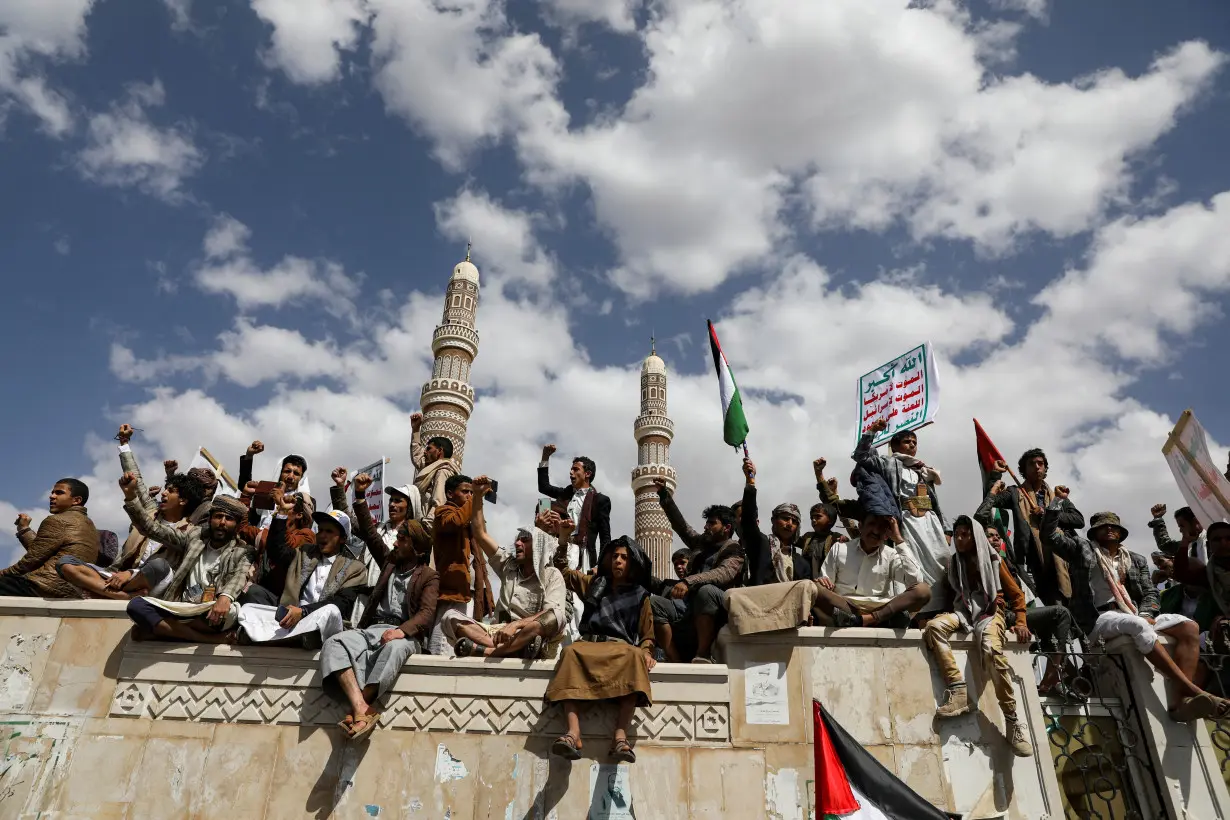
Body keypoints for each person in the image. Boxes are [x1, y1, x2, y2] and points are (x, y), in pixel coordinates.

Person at [1042, 498, 1226, 720]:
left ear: (1120, 533)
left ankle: (1180, 703)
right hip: (1099, 618)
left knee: (1188, 626)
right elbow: (1049, 536)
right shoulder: (1082, 549)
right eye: (1103, 526)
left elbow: (1150, 593)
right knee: (1137, 625)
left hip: (1135, 613)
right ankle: (1195, 690)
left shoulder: (1136, 560)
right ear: (1095, 533)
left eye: (1114, 527)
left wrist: (1147, 613)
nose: (1109, 529)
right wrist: (1056, 504)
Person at [319, 515, 439, 742]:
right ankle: (361, 707)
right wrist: (361, 497)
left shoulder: (429, 577)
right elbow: (370, 534)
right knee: (334, 643)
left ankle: (360, 707)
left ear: (415, 545)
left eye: (401, 539)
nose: (395, 543)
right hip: (372, 629)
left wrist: (401, 631)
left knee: (393, 649)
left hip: (405, 635)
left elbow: (426, 613)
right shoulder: (389, 562)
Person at [922, 516, 1032, 757]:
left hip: (991, 613)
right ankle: (958, 690)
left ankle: (1013, 722)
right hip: (963, 613)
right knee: (934, 627)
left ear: (975, 536)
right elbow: (954, 595)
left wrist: (1021, 621)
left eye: (965, 534)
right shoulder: (954, 563)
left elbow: (1017, 594)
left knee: (993, 653)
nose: (959, 539)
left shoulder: (993, 559)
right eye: (957, 535)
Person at [546, 536, 657, 764]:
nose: (618, 561)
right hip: (589, 645)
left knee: (635, 657)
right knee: (570, 653)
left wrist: (646, 651)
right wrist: (564, 541)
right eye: (615, 556)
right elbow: (562, 572)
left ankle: (620, 736)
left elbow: (647, 635)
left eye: (624, 558)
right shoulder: (595, 583)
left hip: (619, 649)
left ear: (632, 563)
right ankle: (573, 733)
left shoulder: (640, 595)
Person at [121, 474, 253, 644]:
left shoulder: (243, 550)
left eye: (229, 519)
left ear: (236, 525)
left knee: (228, 612)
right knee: (137, 607)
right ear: (211, 518)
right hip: (183, 607)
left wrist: (225, 597)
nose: (222, 522)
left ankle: (165, 631)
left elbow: (240, 576)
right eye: (218, 516)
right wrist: (131, 496)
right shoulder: (195, 536)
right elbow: (153, 530)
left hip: (212, 609)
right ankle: (209, 639)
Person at [448, 479, 567, 660]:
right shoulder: (507, 564)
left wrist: (517, 625)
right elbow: (480, 534)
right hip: (498, 633)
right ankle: (514, 649)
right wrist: (478, 495)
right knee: (450, 618)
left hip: (529, 633)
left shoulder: (552, 575)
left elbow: (552, 613)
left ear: (538, 548)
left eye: (524, 540)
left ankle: (489, 652)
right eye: (517, 539)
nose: (517, 543)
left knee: (554, 617)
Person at [237, 493, 366, 648]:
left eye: (329, 532)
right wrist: (282, 514)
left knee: (331, 610)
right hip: (289, 616)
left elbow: (341, 603)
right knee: (251, 598)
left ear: (343, 539)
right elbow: (277, 552)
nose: (322, 536)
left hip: (319, 621)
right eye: (321, 530)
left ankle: (273, 636)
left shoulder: (355, 568)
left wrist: (303, 612)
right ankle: (291, 637)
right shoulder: (305, 552)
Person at [853, 419, 951, 612]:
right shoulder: (887, 462)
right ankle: (918, 610)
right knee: (913, 563)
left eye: (914, 442)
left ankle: (943, 606)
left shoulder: (923, 470)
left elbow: (935, 502)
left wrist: (946, 528)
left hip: (930, 522)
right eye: (907, 441)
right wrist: (872, 431)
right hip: (907, 520)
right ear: (894, 445)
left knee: (942, 559)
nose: (912, 445)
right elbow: (861, 455)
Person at [58, 471, 205, 600]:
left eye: (171, 491)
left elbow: (150, 528)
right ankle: (120, 596)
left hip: (151, 583)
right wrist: (124, 445)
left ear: (183, 500)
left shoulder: (189, 531)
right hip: (117, 577)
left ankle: (104, 592)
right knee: (65, 563)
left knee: (160, 565)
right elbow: (136, 478)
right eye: (165, 489)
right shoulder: (151, 514)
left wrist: (130, 573)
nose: (164, 493)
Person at [653, 477, 745, 663]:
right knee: (654, 603)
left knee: (707, 591)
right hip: (689, 603)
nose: (706, 527)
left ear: (726, 528)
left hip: (719, 606)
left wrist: (689, 581)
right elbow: (681, 526)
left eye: (712, 523)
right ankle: (674, 658)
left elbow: (723, 574)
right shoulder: (701, 543)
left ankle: (703, 653)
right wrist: (664, 496)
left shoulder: (734, 549)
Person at [975, 449, 1084, 605]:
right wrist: (995, 475)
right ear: (1024, 470)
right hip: (1037, 560)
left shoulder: (1058, 497)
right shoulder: (1015, 493)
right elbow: (992, 500)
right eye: (1032, 464)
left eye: (1040, 463)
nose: (1037, 467)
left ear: (1045, 468)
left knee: (1076, 603)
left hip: (1064, 556)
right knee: (1055, 605)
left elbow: (1078, 520)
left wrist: (1048, 513)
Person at [985, 523, 1079, 697]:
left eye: (997, 536)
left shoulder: (1005, 561)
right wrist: (1017, 621)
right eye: (990, 536)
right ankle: (1056, 673)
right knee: (1060, 613)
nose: (996, 538)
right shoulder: (984, 561)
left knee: (1056, 624)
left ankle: (1055, 679)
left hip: (1015, 614)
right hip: (1001, 615)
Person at [815, 510, 932, 628]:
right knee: (812, 587)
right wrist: (822, 582)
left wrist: (899, 541)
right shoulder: (840, 548)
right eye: (872, 524)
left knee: (923, 591)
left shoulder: (892, 554)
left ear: (887, 533)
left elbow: (915, 581)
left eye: (882, 527)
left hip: (882, 610)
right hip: (845, 609)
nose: (876, 531)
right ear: (861, 526)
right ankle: (866, 620)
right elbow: (826, 583)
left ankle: (868, 619)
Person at [429, 474, 493, 656]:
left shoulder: (470, 517)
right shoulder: (442, 512)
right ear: (450, 494)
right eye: (466, 491)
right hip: (452, 593)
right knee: (443, 643)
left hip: (471, 592)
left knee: (464, 646)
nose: (469, 496)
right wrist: (477, 498)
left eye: (471, 492)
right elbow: (456, 521)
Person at [2, 479, 99, 598]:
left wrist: (3, 574)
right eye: (52, 492)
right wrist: (24, 529)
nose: (51, 496)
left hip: (44, 585)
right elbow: (42, 551)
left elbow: (31, 560)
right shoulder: (88, 523)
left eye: (59, 493)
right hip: (70, 590)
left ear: (76, 500)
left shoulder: (57, 520)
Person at [238, 481, 316, 605]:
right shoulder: (267, 533)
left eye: (289, 504)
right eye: (282, 503)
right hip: (261, 592)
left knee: (252, 591)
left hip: (283, 603)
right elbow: (242, 529)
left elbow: (283, 548)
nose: (281, 505)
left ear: (299, 515)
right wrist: (246, 496)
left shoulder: (307, 536)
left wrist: (282, 513)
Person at [538, 444, 612, 572]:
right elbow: (543, 487)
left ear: (587, 473)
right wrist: (545, 457)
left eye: (576, 469)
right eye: (571, 469)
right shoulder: (565, 494)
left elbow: (605, 537)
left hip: (582, 557)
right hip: (558, 548)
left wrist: (600, 566)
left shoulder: (599, 500)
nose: (571, 472)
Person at [739, 458, 809, 585]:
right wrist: (750, 483)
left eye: (794, 521)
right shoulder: (761, 544)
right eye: (785, 518)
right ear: (774, 521)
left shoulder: (801, 563)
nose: (789, 524)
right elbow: (748, 520)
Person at [1170, 521, 1230, 654]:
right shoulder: (1210, 572)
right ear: (1209, 545)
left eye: (1228, 538)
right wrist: (1185, 542)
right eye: (1217, 540)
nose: (1223, 543)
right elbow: (1182, 573)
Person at [800, 458, 855, 576]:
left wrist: (834, 493)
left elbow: (845, 519)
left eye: (818, 517)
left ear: (830, 520)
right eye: (812, 517)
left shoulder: (837, 538)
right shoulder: (807, 538)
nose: (813, 520)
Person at [409, 412, 459, 530]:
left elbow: (439, 501)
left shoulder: (443, 470)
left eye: (429, 449)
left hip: (429, 527)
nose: (425, 452)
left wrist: (426, 527)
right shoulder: (432, 468)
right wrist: (416, 429)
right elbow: (417, 457)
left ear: (440, 450)